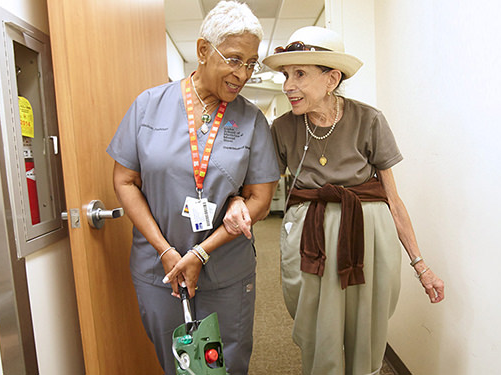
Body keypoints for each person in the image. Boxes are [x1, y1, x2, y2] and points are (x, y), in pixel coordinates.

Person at [224, 26, 445, 375]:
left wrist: (421, 265)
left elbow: (393, 199)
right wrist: (237, 200)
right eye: (285, 75)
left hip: (369, 236)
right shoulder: (282, 129)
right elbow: (259, 188)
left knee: (366, 325)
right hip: (311, 238)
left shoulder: (369, 120)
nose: (288, 86)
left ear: (331, 79)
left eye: (300, 74)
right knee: (317, 327)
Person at [106, 2, 279, 374]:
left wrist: (201, 252)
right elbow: (124, 180)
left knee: (227, 362)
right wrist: (166, 250)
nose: (243, 73)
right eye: (234, 59)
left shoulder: (251, 120)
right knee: (176, 361)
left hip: (226, 268)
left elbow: (261, 199)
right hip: (160, 268)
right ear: (203, 51)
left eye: (251, 63)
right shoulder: (148, 106)